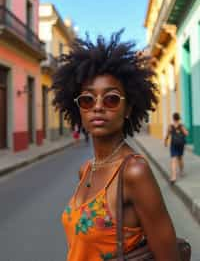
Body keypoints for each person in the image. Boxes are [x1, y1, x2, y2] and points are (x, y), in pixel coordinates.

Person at [52, 30, 181, 261]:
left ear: (128, 108)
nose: (98, 107)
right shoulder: (86, 170)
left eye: (111, 99)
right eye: (87, 100)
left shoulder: (134, 172)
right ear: (78, 109)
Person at [164, 112, 188, 184]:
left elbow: (167, 135)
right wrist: (181, 131)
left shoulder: (170, 126)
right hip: (181, 144)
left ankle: (173, 177)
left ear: (173, 118)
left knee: (173, 160)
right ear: (179, 118)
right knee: (180, 158)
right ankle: (181, 171)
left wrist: (165, 141)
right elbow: (186, 133)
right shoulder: (181, 126)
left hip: (173, 144)